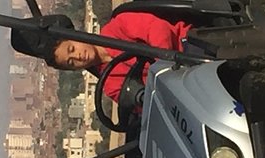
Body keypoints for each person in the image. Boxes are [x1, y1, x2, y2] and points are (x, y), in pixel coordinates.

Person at [11, 12, 192, 103]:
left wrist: (165, 68)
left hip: (189, 47)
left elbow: (157, 29)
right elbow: (143, 102)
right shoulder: (110, 85)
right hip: (183, 93)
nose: (78, 56)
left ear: (77, 36)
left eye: (72, 48)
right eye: (71, 62)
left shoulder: (118, 26)